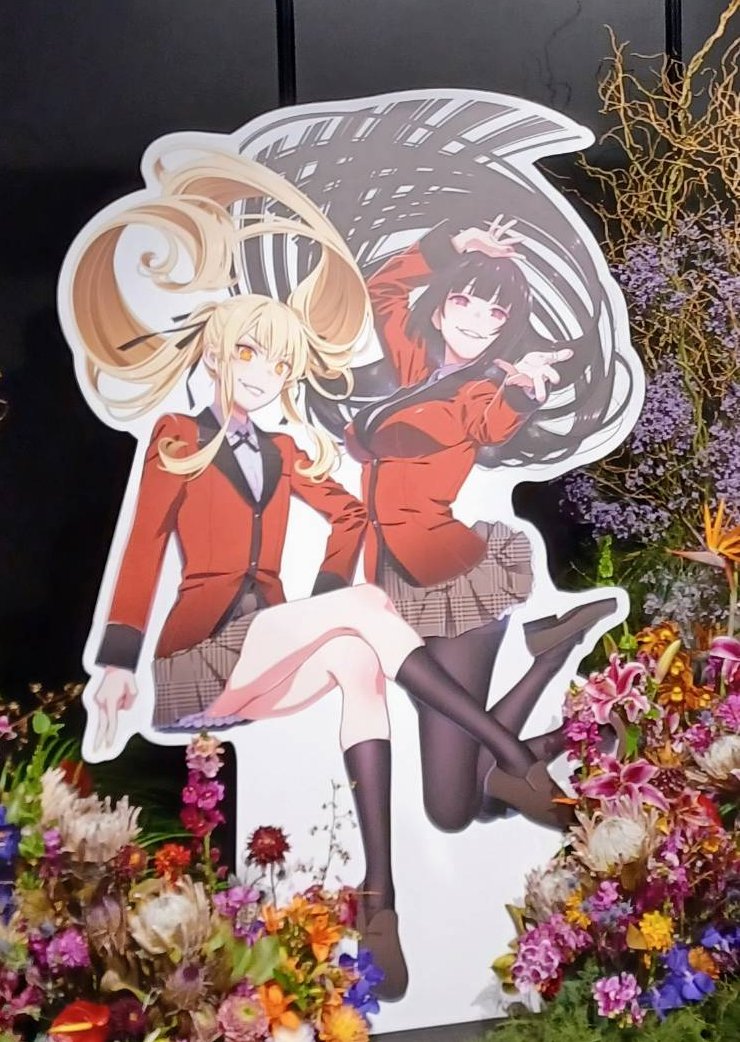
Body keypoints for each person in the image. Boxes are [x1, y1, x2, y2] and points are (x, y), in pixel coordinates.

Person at [66, 154, 573, 999]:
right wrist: (118, 661)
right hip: (196, 659)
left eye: (277, 364)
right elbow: (144, 550)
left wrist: (332, 601)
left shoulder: (291, 446)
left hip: (296, 643)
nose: (262, 376)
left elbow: (349, 515)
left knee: (356, 659)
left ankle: (380, 901)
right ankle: (513, 755)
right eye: (248, 357)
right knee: (365, 621)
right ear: (217, 355)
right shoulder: (176, 439)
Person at [343, 216, 619, 831]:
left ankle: (539, 727)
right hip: (395, 576)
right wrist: (450, 244)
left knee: (449, 811)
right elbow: (383, 290)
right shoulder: (415, 364)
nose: (474, 320)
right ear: (441, 307)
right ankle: (550, 677)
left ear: (505, 330)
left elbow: (492, 423)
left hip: (449, 585)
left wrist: (522, 390)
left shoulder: (481, 392)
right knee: (462, 798)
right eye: (464, 301)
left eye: (494, 313)